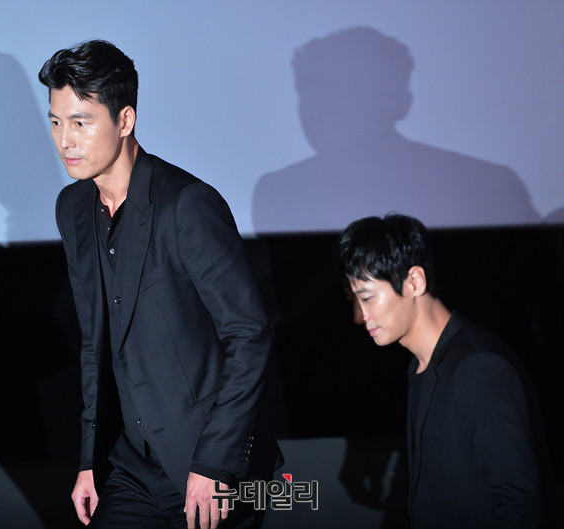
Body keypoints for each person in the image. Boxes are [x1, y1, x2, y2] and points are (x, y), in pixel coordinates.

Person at [38, 40, 281, 529]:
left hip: (205, 464)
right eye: (57, 122)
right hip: (129, 465)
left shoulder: (186, 204)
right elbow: (94, 342)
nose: (65, 140)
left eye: (81, 122)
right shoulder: (73, 209)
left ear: (125, 120)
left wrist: (214, 462)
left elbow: (249, 333)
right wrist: (89, 460)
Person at [338, 213, 561, 528]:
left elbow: (521, 507)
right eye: (355, 301)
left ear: (415, 282)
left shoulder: (479, 367)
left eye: (368, 298)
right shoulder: (419, 366)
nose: (360, 316)